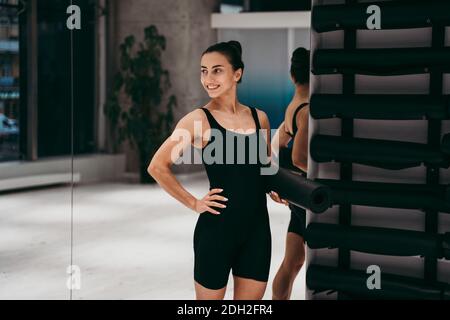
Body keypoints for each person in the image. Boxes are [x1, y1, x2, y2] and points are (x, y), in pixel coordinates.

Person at [148, 41, 272, 300]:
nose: (208, 78)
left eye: (217, 70)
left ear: (237, 74)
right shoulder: (198, 120)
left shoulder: (259, 118)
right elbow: (158, 166)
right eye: (204, 71)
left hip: (257, 231)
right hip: (217, 232)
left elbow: (265, 169)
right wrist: (193, 203)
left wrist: (277, 189)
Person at [269, 47, 310, 300]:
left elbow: (276, 144)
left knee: (293, 261)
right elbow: (299, 157)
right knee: (294, 262)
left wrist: (278, 181)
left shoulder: (293, 106)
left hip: (297, 193)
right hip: (307, 194)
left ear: (292, 76)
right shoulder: (306, 109)